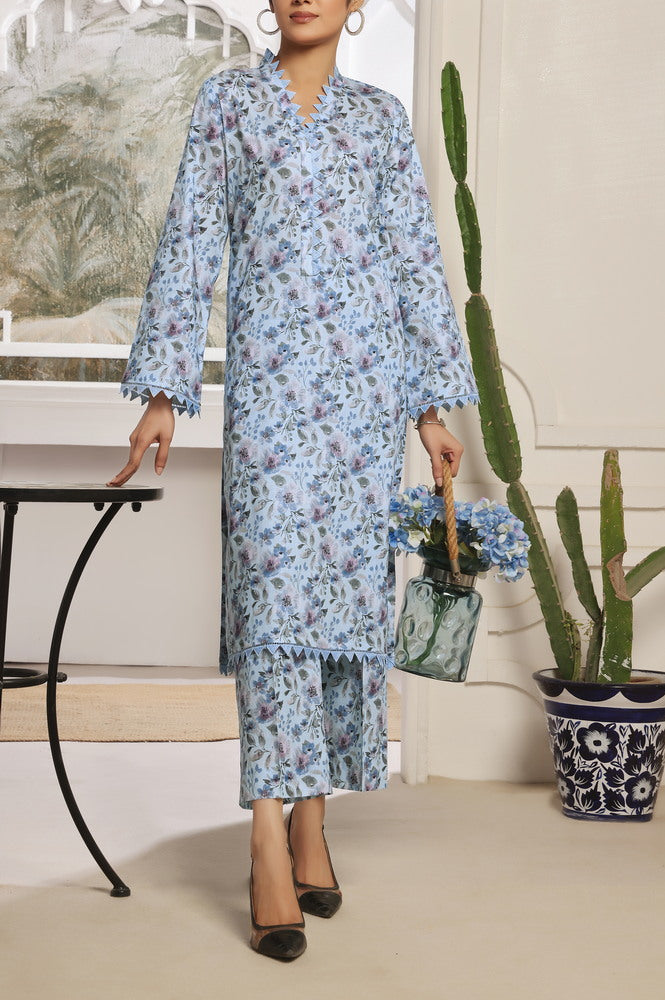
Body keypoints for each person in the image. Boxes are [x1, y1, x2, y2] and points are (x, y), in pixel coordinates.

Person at [107, 0, 478, 961]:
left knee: (341, 612)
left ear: (356, 6)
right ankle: (267, 838)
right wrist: (163, 391)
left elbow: (412, 258)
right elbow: (192, 238)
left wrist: (429, 411)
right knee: (275, 604)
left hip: (363, 404)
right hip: (271, 397)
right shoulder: (227, 102)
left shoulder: (379, 118)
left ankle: (313, 822)